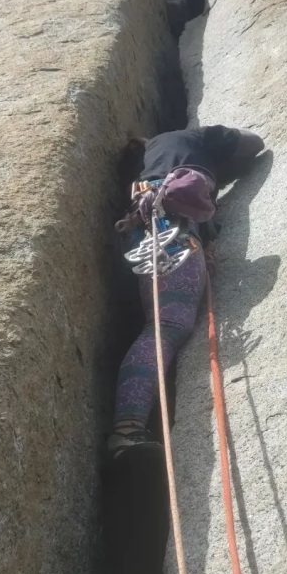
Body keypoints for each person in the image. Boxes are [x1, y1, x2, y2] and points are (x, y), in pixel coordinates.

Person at [108, 124, 265, 457]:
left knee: (161, 324)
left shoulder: (149, 166)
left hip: (151, 228)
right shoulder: (189, 138)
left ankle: (128, 427)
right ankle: (126, 429)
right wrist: (216, 161)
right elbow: (254, 145)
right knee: (166, 325)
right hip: (171, 228)